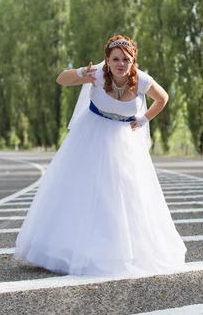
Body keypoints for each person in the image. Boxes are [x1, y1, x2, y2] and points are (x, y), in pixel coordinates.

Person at [14, 35, 187, 276]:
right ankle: (66, 249)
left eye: (125, 59)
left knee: (124, 193)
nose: (120, 63)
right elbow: (61, 79)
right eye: (115, 59)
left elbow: (163, 98)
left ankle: (118, 251)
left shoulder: (141, 80)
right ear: (107, 59)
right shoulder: (96, 73)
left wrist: (144, 118)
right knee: (83, 190)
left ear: (133, 60)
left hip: (124, 140)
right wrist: (80, 73)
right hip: (91, 136)